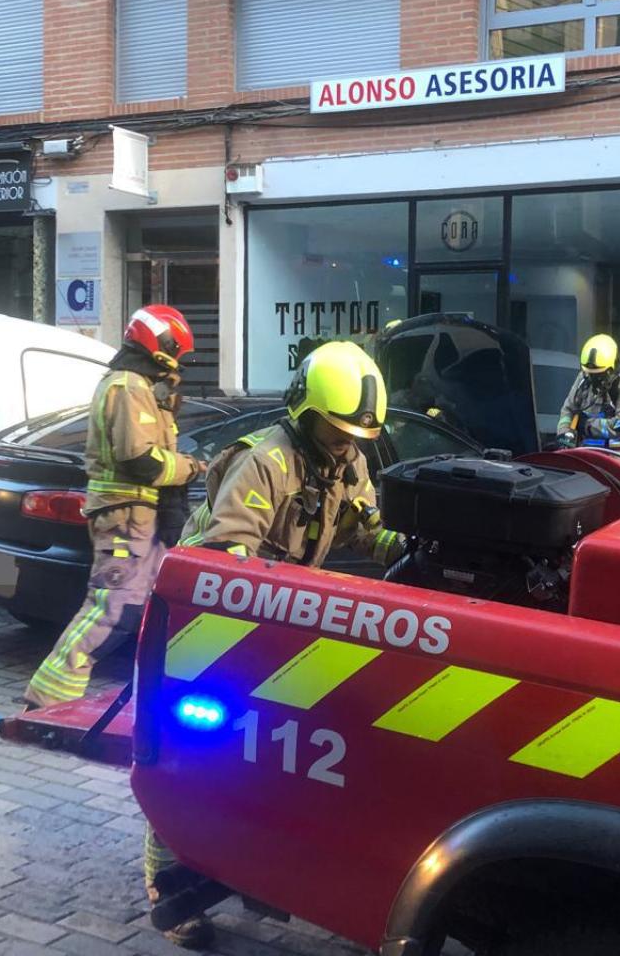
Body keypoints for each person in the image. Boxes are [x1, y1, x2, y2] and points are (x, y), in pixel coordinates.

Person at [146, 341, 408, 948]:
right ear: (304, 410)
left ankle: (252, 867)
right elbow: (225, 556)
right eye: (335, 430)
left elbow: (364, 529)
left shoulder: (347, 463)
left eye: (354, 436)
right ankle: (171, 887)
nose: (346, 444)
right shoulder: (264, 462)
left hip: (275, 624)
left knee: (258, 759)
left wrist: (409, 549)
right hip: (205, 622)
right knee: (189, 756)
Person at [21, 305, 206, 710]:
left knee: (146, 609)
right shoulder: (128, 386)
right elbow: (140, 460)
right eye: (177, 352)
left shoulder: (142, 387)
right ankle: (48, 699)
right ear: (160, 345)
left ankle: (151, 696)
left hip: (143, 520)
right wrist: (193, 467)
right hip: (125, 518)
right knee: (110, 608)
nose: (178, 362)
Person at [555, 334, 620, 460]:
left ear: (614, 366)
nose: (593, 378)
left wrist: (587, 426)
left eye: (599, 374)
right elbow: (568, 409)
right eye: (589, 373)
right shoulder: (584, 378)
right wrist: (564, 434)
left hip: (618, 459)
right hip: (586, 454)